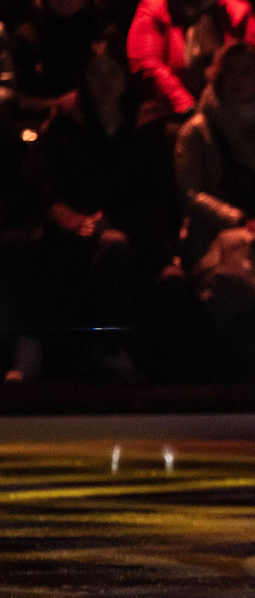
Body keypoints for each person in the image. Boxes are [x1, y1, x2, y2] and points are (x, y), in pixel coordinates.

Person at [32, 38, 179, 379]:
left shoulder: (147, 125)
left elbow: (158, 195)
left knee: (131, 254)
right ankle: (109, 354)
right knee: (100, 250)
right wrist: (74, 220)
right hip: (77, 235)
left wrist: (113, 221)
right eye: (95, 73)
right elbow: (45, 186)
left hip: (139, 234)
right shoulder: (65, 124)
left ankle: (131, 359)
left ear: (125, 76)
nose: (105, 81)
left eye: (113, 72)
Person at [175, 44, 255, 342]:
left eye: (247, 70)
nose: (239, 79)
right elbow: (192, 194)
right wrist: (239, 219)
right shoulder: (198, 131)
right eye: (231, 71)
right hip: (216, 235)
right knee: (238, 267)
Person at [127, 0, 255, 122]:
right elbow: (146, 63)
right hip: (171, 114)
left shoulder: (237, 11)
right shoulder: (153, 8)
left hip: (234, 111)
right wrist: (186, 106)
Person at [9, 0, 119, 114]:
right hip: (37, 123)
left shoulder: (103, 35)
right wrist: (60, 104)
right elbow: (16, 99)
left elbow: (117, 95)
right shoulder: (27, 37)